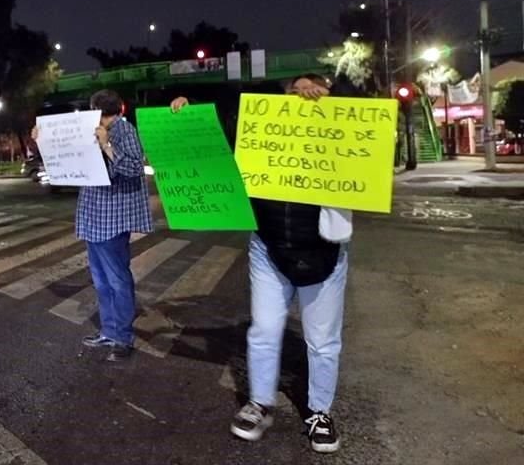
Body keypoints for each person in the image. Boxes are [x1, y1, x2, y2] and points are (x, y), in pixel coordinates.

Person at [171, 73, 350, 454]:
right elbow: (216, 147)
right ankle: (260, 403)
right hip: (268, 248)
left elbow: (375, 125)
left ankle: (320, 412)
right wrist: (186, 119)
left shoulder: (342, 133)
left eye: (311, 89)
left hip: (324, 251)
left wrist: (337, 101)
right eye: (293, 90)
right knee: (265, 330)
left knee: (322, 342)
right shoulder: (261, 135)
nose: (301, 95)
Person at [31, 89, 153, 362]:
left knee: (117, 279)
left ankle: (122, 336)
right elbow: (69, 155)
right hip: (94, 215)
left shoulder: (124, 131)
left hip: (112, 217)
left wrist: (108, 145)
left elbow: (135, 168)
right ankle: (109, 330)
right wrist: (43, 140)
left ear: (100, 111)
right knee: (100, 280)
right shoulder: (91, 129)